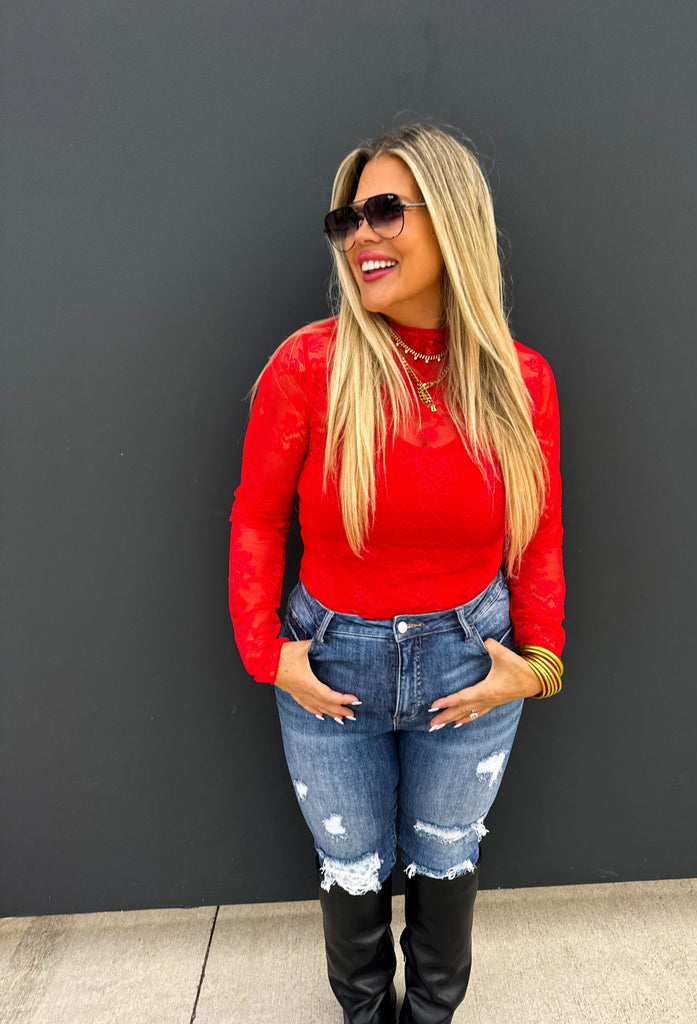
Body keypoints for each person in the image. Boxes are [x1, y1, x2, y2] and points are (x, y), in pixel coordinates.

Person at [228, 124, 565, 1024]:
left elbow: (539, 536)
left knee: (448, 853)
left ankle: (432, 1015)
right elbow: (257, 519)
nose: (361, 236)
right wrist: (266, 653)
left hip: (470, 661)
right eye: (347, 220)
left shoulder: (521, 381)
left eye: (385, 211)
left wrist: (540, 664)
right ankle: (365, 1014)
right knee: (351, 862)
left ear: (452, 219)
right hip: (331, 664)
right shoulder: (311, 367)